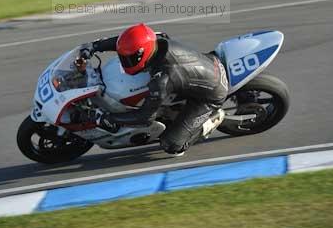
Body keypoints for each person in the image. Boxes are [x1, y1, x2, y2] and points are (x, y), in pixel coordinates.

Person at [79, 23, 229, 156]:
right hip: (206, 64)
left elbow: (144, 117)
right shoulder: (155, 39)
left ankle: (212, 119)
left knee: (172, 145)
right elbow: (127, 43)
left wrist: (108, 118)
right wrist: (95, 46)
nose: (124, 62)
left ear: (142, 55)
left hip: (211, 95)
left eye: (128, 59)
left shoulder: (162, 80)